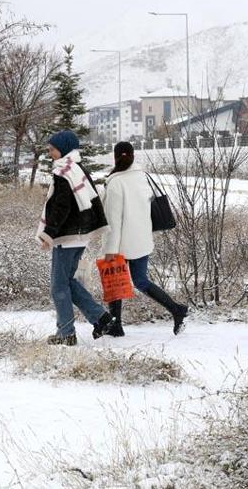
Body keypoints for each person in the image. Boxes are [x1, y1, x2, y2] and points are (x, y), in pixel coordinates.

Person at [37, 130, 116, 346]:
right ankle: (101, 318)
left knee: (58, 286)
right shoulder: (77, 168)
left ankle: (66, 333)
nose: (49, 152)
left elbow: (62, 207)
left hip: (68, 237)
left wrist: (49, 234)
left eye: (52, 149)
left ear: (63, 148)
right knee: (67, 281)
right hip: (80, 236)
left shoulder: (64, 172)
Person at [101, 141, 188, 336]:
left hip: (121, 242)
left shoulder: (115, 182)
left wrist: (110, 250)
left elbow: (114, 221)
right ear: (133, 156)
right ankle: (176, 309)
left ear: (114, 157)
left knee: (115, 281)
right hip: (142, 239)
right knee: (140, 281)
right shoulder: (143, 177)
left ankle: (116, 326)